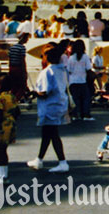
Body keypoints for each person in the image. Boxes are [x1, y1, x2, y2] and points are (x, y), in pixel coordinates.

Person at [28, 44, 70, 173]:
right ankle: (39, 159)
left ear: (46, 57)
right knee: (48, 133)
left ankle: (62, 162)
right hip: (60, 104)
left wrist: (33, 93)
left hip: (50, 106)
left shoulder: (47, 72)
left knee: (52, 134)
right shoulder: (62, 69)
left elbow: (45, 92)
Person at [0, 75, 19, 183]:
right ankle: (5, 175)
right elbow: (17, 112)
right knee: (4, 150)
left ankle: (0, 176)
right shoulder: (12, 97)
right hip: (11, 125)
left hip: (1, 127)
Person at [67, 39, 94, 121]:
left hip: (73, 81)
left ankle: (75, 115)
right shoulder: (85, 57)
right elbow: (88, 68)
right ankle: (86, 114)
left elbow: (69, 70)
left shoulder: (71, 58)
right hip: (82, 81)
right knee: (86, 98)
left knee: (75, 99)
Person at [7, 33, 28, 100]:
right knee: (22, 85)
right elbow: (22, 60)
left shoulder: (12, 47)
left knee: (14, 85)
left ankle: (12, 98)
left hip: (12, 67)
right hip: (19, 68)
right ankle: (16, 99)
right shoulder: (22, 48)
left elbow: (9, 59)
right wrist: (24, 71)